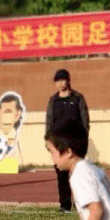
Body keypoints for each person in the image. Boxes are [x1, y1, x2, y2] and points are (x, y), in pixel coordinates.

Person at [46, 69, 90, 212]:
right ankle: (65, 205)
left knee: (78, 175)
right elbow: (49, 122)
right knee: (62, 176)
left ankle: (81, 203)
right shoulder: (53, 100)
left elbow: (85, 121)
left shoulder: (77, 98)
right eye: (58, 81)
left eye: (63, 80)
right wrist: (49, 141)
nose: (60, 83)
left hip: (75, 142)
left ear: (68, 81)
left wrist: (83, 140)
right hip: (59, 144)